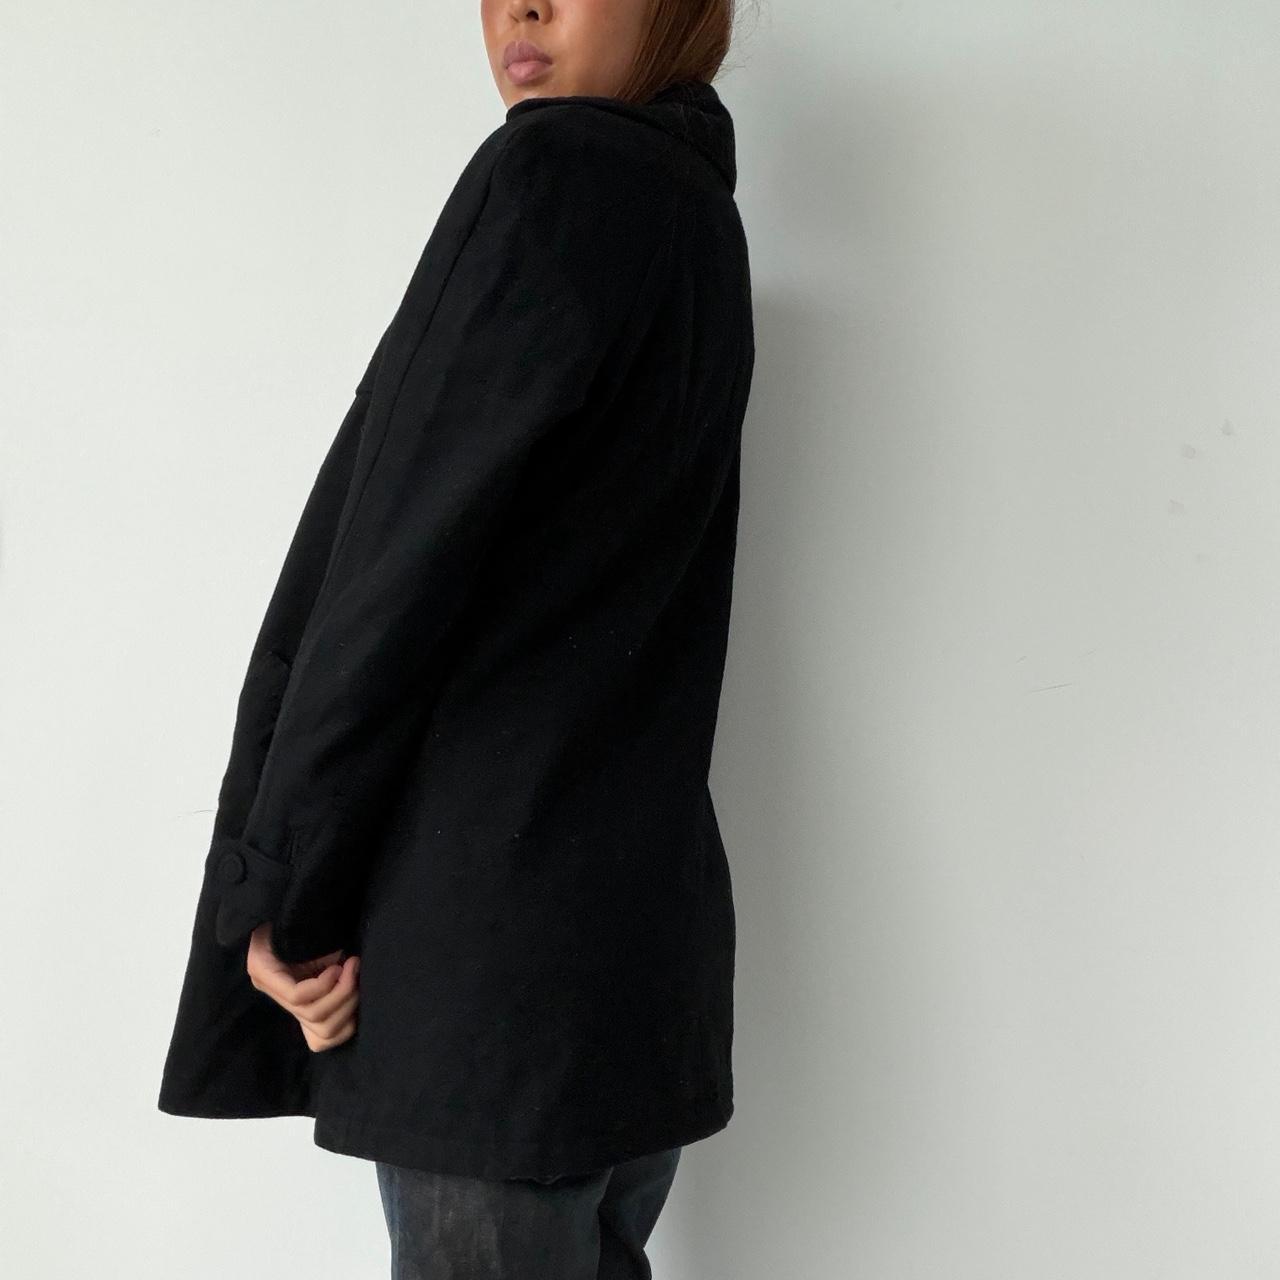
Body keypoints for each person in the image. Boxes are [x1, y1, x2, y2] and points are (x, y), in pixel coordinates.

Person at [157, 0, 754, 1274]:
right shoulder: (696, 213)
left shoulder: (552, 175)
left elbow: (391, 568)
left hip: (486, 958)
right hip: (628, 952)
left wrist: (280, 881)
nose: (518, 10)